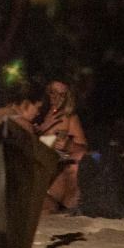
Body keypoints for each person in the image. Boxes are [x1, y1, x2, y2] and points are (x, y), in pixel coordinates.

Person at [35, 75, 87, 211]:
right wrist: (44, 127)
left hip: (56, 165)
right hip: (36, 167)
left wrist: (68, 145)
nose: (57, 98)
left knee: (76, 164)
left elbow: (83, 150)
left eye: (62, 94)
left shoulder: (68, 117)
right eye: (53, 92)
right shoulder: (33, 113)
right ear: (46, 93)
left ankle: (69, 206)